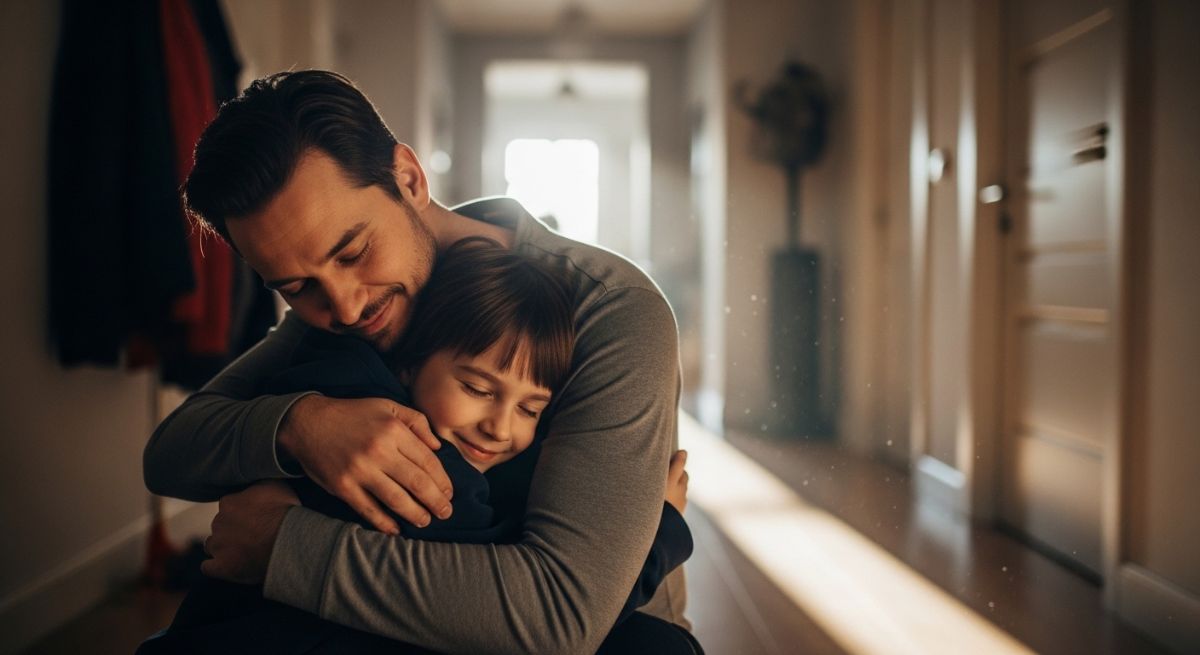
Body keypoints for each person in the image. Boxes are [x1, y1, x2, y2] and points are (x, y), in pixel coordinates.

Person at [143, 70, 691, 654]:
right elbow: (171, 455)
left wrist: (282, 548)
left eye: (355, 252)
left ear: (408, 178)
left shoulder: (609, 309)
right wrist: (301, 426)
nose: (345, 306)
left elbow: (559, 618)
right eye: (296, 287)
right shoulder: (341, 310)